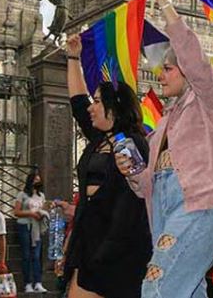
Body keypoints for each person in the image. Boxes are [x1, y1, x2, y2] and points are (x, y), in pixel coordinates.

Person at [116, 0, 213, 298]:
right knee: (188, 290)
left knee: (158, 286)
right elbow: (147, 187)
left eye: (168, 68)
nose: (160, 75)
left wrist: (162, 0)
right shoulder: (161, 126)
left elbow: (195, 59)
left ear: (186, 69)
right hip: (167, 210)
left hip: (204, 202)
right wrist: (133, 171)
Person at [64, 33, 152, 298]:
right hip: (88, 237)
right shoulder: (99, 138)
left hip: (118, 246)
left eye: (98, 101)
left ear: (114, 107)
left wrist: (110, 246)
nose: (92, 108)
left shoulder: (133, 143)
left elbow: (135, 200)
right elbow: (78, 103)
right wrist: (73, 57)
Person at [14, 170, 49, 294]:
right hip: (25, 225)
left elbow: (44, 209)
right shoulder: (22, 194)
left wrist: (42, 214)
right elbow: (16, 212)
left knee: (36, 256)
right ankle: (27, 283)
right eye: (35, 180)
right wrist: (30, 213)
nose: (37, 182)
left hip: (37, 228)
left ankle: (38, 282)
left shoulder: (41, 196)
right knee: (26, 255)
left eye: (38, 181)